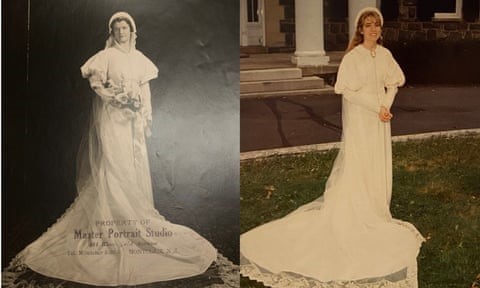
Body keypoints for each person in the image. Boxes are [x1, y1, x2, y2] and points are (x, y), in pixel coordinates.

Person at [5, 12, 217, 286]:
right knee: (113, 165)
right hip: (112, 119)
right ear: (112, 33)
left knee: (132, 164)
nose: (121, 33)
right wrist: (116, 97)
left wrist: (143, 112)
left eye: (125, 29)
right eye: (117, 29)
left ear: (132, 31)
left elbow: (146, 91)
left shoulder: (140, 59)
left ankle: (133, 218)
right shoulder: (105, 57)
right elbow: (96, 85)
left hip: (132, 122)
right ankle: (111, 218)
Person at [240, 7, 425, 288]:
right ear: (360, 30)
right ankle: (359, 208)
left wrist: (386, 107)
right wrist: (376, 107)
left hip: (380, 118)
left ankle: (376, 207)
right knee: (360, 161)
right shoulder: (352, 58)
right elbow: (347, 91)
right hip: (363, 118)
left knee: (377, 161)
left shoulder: (385, 55)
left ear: (380, 29)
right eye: (367, 25)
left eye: (376, 25)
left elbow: (394, 83)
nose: (372, 30)